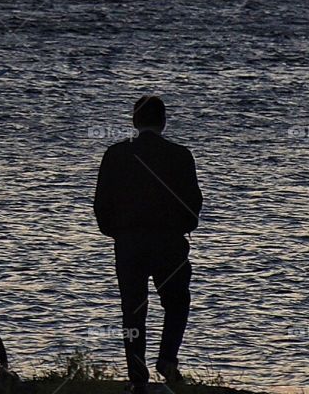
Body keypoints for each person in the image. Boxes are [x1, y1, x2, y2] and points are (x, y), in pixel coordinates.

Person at [94, 96, 203, 394]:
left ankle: (137, 376)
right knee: (177, 303)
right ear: (164, 121)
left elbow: (101, 203)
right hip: (169, 243)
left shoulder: (115, 155)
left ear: (134, 121)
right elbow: (193, 206)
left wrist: (116, 233)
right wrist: (181, 228)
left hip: (129, 243)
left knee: (133, 309)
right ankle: (167, 359)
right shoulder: (181, 156)